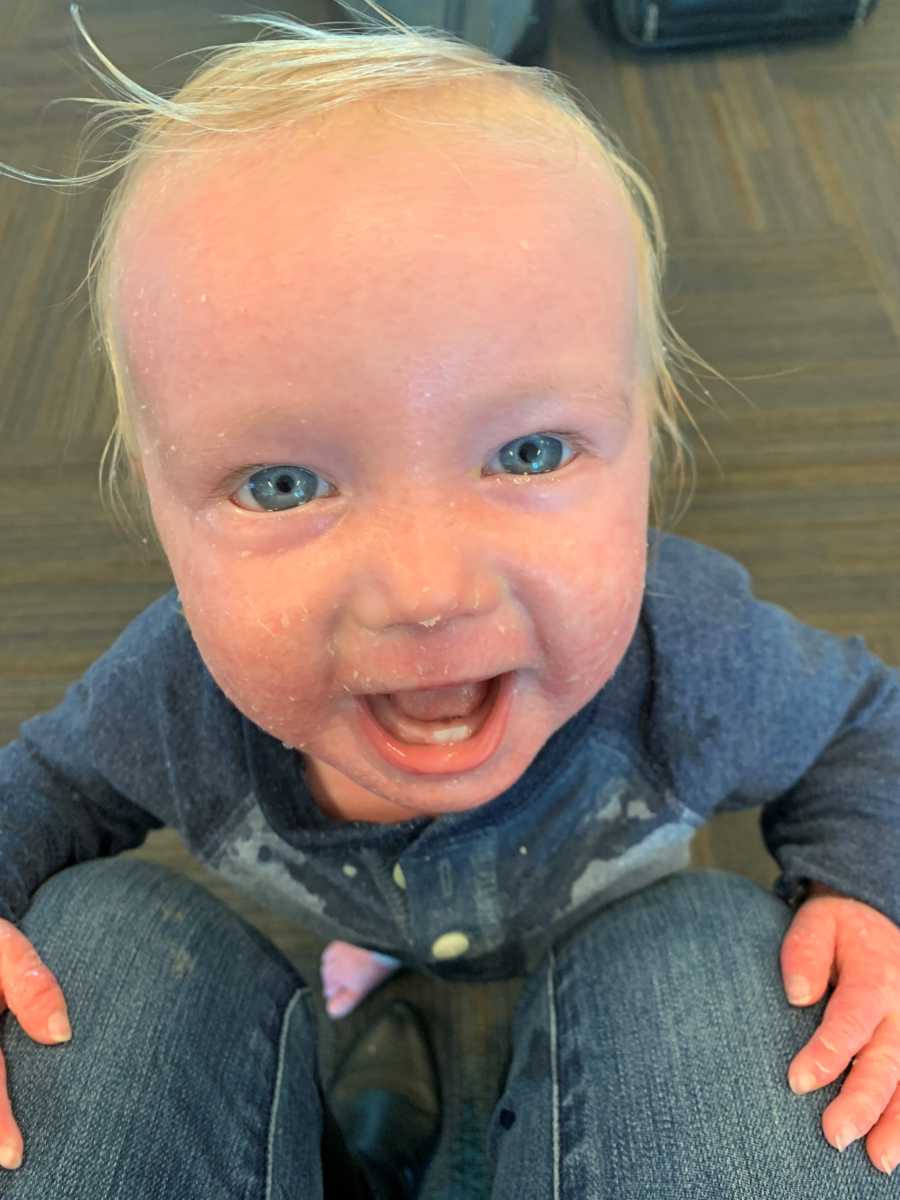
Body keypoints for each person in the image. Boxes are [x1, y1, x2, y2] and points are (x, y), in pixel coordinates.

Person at [1, 3, 899, 1197]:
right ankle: (398, 1016)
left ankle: (513, 1038)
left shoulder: (695, 652)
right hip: (391, 934)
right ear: (153, 507)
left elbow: (861, 727)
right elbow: (44, 789)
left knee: (677, 962)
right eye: (283, 483)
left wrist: (865, 890)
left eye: (528, 454)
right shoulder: (170, 695)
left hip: (617, 951)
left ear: (652, 448)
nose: (427, 593)